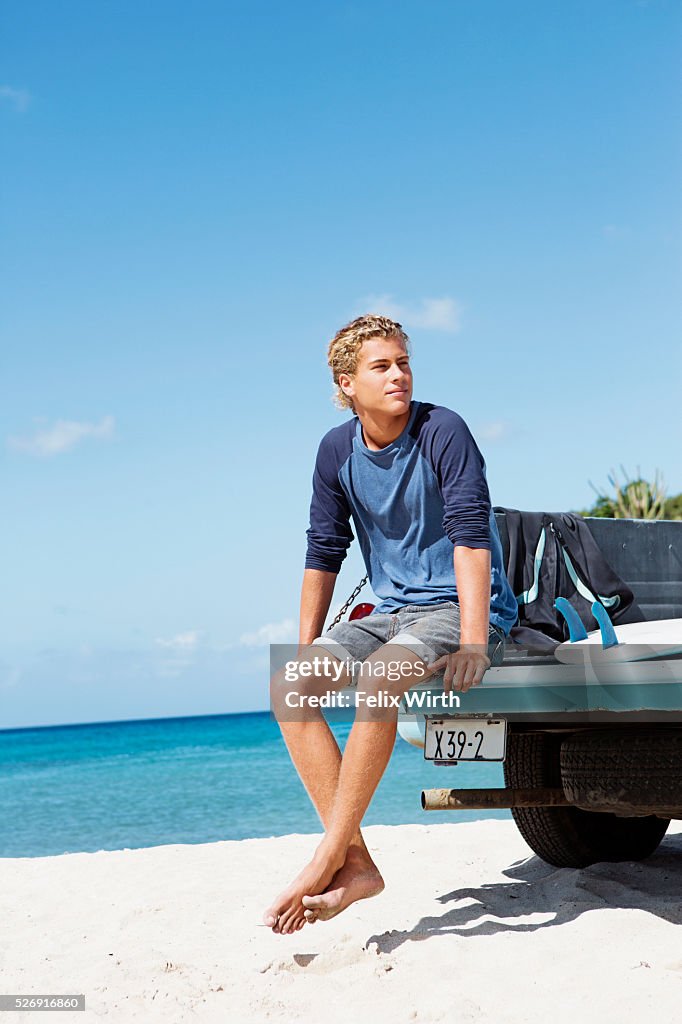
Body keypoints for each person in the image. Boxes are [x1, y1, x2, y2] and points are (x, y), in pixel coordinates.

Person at [263, 314, 517, 935]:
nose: (399, 374)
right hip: (392, 610)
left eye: (403, 362)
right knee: (290, 687)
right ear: (347, 383)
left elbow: (471, 537)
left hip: (462, 606)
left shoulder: (443, 430)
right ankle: (357, 865)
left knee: (380, 680)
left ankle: (329, 852)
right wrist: (307, 651)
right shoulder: (335, 450)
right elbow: (323, 550)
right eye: (382, 366)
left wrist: (477, 642)